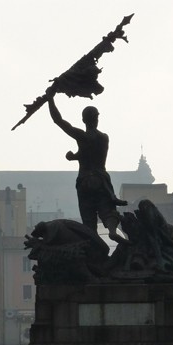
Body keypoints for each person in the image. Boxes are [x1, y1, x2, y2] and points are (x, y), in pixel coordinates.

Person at [46, 91, 128, 244]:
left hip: (84, 181)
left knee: (88, 219)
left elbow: (58, 120)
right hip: (100, 179)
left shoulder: (81, 136)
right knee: (108, 211)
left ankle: (94, 245)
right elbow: (91, 154)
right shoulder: (104, 138)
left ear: (83, 120)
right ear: (97, 119)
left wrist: (50, 99)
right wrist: (75, 157)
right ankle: (111, 231)